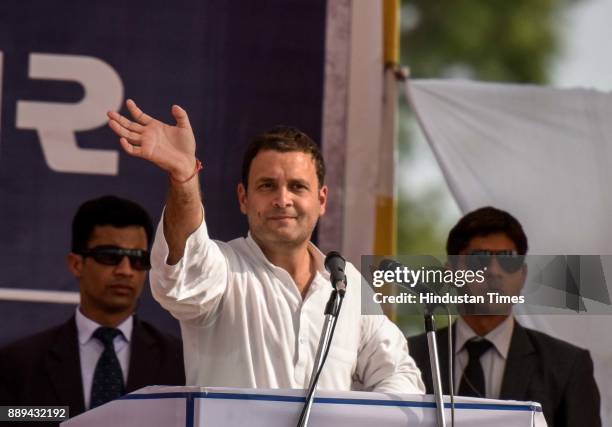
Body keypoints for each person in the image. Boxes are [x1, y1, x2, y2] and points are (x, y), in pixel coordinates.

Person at [105, 100, 425, 393]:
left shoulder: (349, 284)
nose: (282, 199)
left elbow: (399, 376)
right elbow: (183, 272)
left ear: (322, 200)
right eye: (267, 185)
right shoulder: (225, 269)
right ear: (244, 198)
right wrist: (183, 177)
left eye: (297, 187)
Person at [407, 206, 601, 427]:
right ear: (450, 273)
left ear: (523, 275)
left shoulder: (567, 366)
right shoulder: (408, 356)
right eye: (479, 259)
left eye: (508, 259)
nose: (494, 271)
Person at [0, 196, 185, 423]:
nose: (126, 271)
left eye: (138, 259)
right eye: (110, 256)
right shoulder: (20, 364)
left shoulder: (178, 363)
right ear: (76, 264)